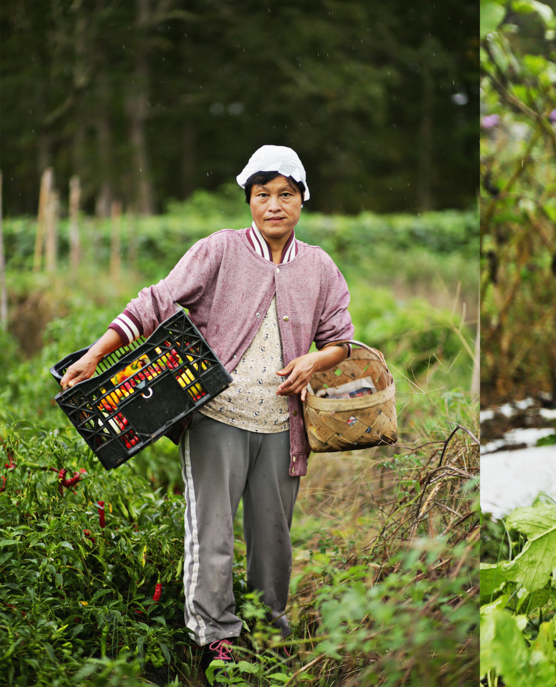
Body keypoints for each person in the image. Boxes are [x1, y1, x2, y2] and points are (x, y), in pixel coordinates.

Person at [59, 145, 354, 682]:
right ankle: (215, 638)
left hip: (281, 425)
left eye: (286, 194)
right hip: (218, 417)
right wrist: (96, 353)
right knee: (212, 534)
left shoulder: (318, 266)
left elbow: (341, 340)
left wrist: (313, 359)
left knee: (274, 541)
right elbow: (155, 301)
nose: (273, 205)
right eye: (262, 195)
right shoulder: (219, 251)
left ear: (303, 200)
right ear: (248, 200)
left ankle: (268, 634)